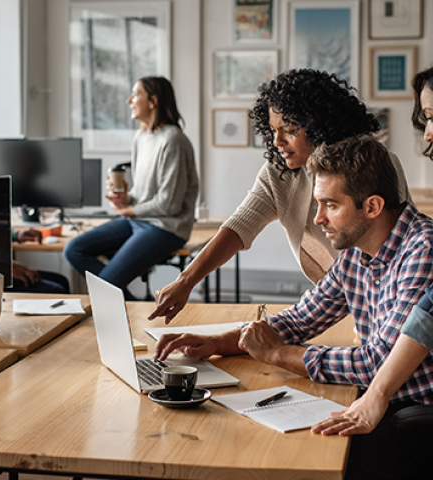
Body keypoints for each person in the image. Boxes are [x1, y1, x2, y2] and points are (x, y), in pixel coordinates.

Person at [154, 135, 433, 480]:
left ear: (372, 207)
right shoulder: (358, 251)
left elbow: (377, 363)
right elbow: (302, 318)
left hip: (413, 416)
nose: (317, 219)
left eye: (330, 205)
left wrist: (279, 356)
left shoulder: (422, 250)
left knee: (285, 459)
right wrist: (221, 343)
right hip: (379, 403)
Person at [149, 69, 410, 324]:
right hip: (333, 300)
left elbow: (396, 249)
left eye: (289, 129)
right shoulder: (279, 173)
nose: (277, 141)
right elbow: (240, 226)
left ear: (320, 125)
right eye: (273, 130)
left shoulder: (372, 164)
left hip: (386, 298)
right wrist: (186, 281)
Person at [312, 65, 433, 438]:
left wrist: (378, 391)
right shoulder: (354, 252)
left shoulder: (421, 245)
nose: (428, 134)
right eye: (426, 118)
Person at [64, 77, 199, 300]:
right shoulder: (141, 137)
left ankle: (123, 306)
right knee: (74, 249)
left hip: (166, 227)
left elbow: (169, 204)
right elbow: (144, 195)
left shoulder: (173, 140)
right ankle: (131, 306)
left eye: (136, 94)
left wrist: (128, 210)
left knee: (106, 284)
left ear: (153, 101)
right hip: (138, 221)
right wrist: (126, 199)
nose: (129, 100)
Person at [10, 228, 69, 293]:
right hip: (0, 277)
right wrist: (9, 268)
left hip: (6, 268)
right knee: (57, 290)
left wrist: (16, 235)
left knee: (61, 280)